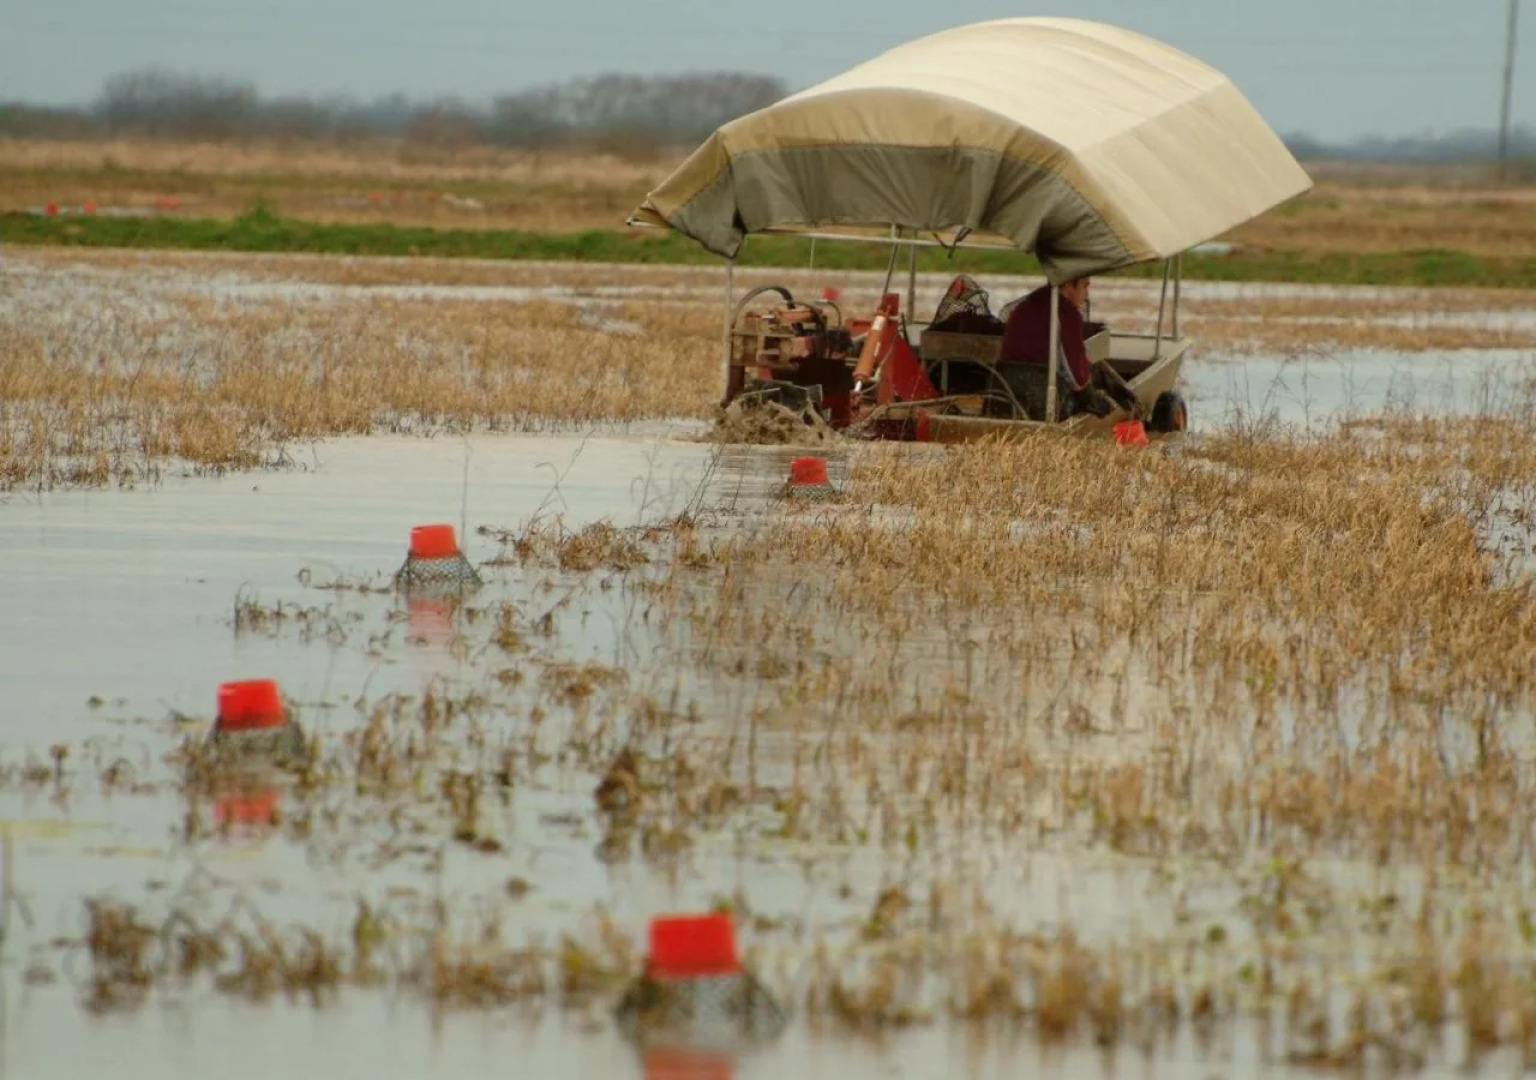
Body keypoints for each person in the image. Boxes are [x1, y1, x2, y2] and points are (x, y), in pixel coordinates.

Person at [998, 278, 1134, 419]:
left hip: (1007, 389)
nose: (1087, 293)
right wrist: (1092, 398)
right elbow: (1075, 371)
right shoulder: (1065, 313)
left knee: (1096, 372)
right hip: (1040, 396)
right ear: (1068, 285)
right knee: (1095, 400)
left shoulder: (1028, 305)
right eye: (1084, 286)